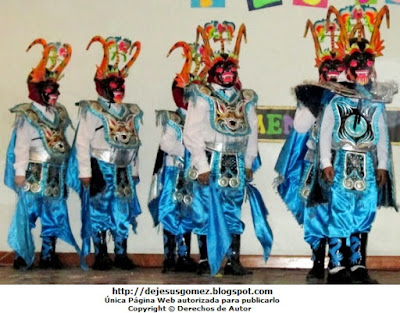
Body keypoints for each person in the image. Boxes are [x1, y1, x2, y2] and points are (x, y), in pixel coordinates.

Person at [183, 21, 273, 276]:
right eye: (222, 68)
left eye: (231, 67)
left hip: (234, 163)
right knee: (205, 209)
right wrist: (200, 165)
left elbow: (252, 132)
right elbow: (191, 133)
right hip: (210, 159)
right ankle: (204, 259)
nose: (227, 72)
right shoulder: (201, 95)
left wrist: (247, 162)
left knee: (233, 208)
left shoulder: (245, 98)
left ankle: (234, 260)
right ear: (213, 70)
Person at [318, 5, 397, 284]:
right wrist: (326, 162)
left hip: (366, 163)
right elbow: (325, 133)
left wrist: (383, 165)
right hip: (342, 162)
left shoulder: (376, 102)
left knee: (364, 210)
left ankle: (358, 264)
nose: (363, 66)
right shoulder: (335, 98)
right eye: (357, 61)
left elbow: (382, 136)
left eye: (368, 61)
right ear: (348, 66)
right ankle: (337, 266)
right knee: (340, 209)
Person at [274, 16, 346, 282]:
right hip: (315, 164)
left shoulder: (350, 96)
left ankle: (340, 262)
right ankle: (318, 261)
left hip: (343, 163)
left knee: (340, 212)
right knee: (316, 212)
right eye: (328, 69)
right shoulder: (310, 96)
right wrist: (314, 100)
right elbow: (302, 128)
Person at [4, 38, 81, 270]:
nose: (55, 95)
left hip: (55, 173)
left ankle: (48, 255)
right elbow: (21, 145)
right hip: (33, 171)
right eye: (50, 90)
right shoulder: (27, 114)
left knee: (54, 213)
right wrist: (19, 172)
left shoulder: (59, 112)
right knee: (27, 213)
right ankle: (22, 254)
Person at [68, 36, 142, 270]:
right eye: (113, 84)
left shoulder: (130, 111)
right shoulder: (92, 110)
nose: (118, 88)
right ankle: (101, 254)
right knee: (99, 210)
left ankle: (121, 253)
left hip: (122, 169)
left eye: (121, 84)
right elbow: (82, 142)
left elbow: (134, 143)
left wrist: (135, 170)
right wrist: (84, 171)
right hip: (100, 166)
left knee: (121, 210)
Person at [148, 41, 205, 273]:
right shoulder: (173, 118)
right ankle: (169, 258)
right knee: (172, 213)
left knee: (190, 213)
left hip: (192, 174)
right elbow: (166, 143)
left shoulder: (201, 118)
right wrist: (187, 149)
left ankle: (184, 256)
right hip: (174, 173)